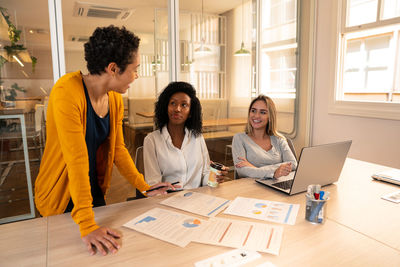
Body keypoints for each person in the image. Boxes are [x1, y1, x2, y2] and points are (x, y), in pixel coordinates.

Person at [34, 25, 176, 256]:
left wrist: (144, 186)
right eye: (135, 69)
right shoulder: (66, 92)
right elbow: (76, 158)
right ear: (113, 68)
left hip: (90, 191)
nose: (137, 75)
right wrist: (87, 224)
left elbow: (118, 149)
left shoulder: (114, 99)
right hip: (61, 194)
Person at [143, 81, 228, 188]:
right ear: (165, 107)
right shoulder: (151, 140)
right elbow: (153, 184)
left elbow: (205, 174)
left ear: (190, 112)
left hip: (197, 198)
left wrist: (215, 177)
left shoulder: (197, 137)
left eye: (184, 105)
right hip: (167, 199)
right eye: (173, 103)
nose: (177, 109)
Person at [232, 95, 297, 179]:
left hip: (275, 184)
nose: (256, 116)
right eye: (253, 111)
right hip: (251, 187)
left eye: (263, 112)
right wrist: (274, 173)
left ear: (270, 116)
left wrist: (254, 168)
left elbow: (293, 164)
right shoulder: (239, 138)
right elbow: (242, 171)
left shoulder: (279, 139)